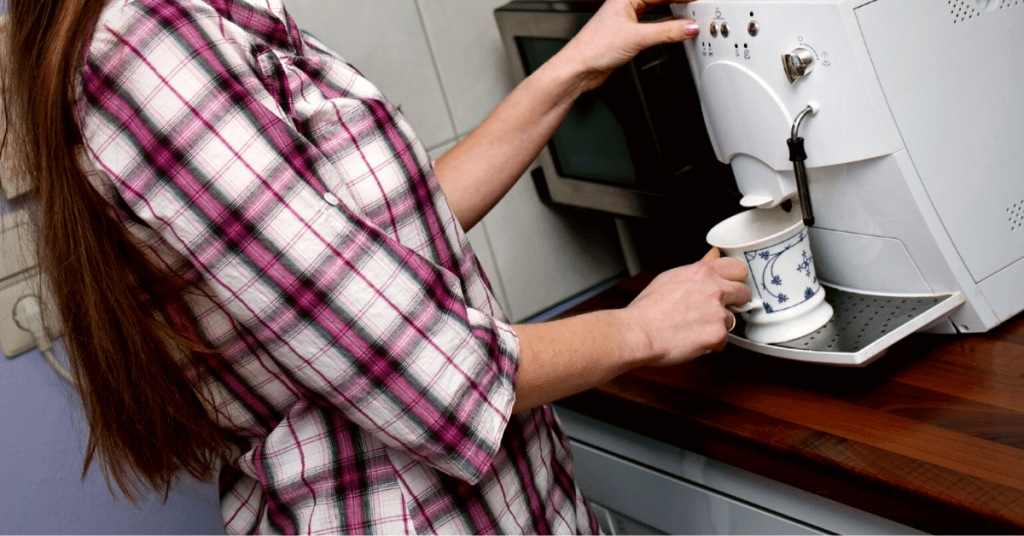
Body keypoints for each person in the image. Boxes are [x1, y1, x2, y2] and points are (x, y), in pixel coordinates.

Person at [2, 0, 750, 533]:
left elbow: (382, 247)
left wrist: (571, 69)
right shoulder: (147, 51)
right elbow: (436, 375)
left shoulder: (192, 21)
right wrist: (643, 328)